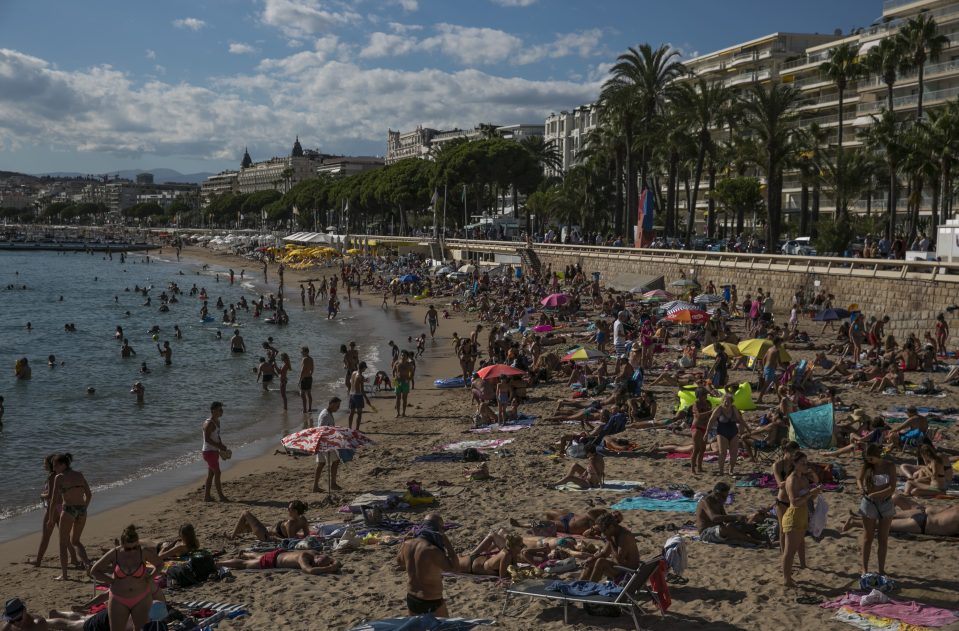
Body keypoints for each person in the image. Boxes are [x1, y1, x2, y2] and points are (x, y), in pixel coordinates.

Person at [89, 524, 163, 631]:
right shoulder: (114, 553)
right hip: (118, 599)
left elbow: (160, 564)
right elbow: (94, 571)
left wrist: (151, 578)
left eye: (135, 547)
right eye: (128, 549)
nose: (132, 551)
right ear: (122, 544)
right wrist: (111, 581)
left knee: (141, 629)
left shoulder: (143, 552)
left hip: (141, 597)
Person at [396, 514, 459, 616]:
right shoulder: (432, 550)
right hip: (431, 599)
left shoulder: (407, 544)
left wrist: (403, 541)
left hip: (411, 597)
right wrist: (447, 541)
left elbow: (399, 562)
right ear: (438, 529)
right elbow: (455, 569)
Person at [781, 453, 823, 587]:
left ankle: (793, 573)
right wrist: (811, 493)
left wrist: (814, 493)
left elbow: (808, 498)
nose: (806, 465)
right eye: (803, 463)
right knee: (789, 551)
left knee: (798, 545)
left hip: (802, 515)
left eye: (807, 462)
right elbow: (794, 501)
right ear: (795, 464)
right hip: (793, 516)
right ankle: (786, 579)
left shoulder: (804, 479)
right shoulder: (792, 479)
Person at [47, 453, 91, 580]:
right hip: (82, 510)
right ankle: (88, 564)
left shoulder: (59, 477)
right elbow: (89, 495)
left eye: (56, 466)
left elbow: (54, 500)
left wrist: (50, 519)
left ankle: (64, 575)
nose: (54, 469)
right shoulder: (80, 474)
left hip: (68, 510)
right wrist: (84, 508)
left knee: (62, 543)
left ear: (63, 465)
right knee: (76, 541)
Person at [858, 443, 896, 577]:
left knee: (883, 539)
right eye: (867, 459)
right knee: (868, 537)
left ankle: (881, 569)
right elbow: (859, 479)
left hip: (885, 503)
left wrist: (876, 495)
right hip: (869, 503)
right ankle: (864, 568)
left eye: (871, 459)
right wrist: (861, 488)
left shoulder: (889, 466)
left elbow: (892, 488)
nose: (869, 461)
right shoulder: (868, 466)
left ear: (877, 456)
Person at [696, 481, 767, 547]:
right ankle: (756, 542)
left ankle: (766, 541)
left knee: (747, 525)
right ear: (716, 493)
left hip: (718, 530)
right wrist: (735, 517)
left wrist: (744, 519)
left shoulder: (719, 501)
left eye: (726, 497)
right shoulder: (705, 501)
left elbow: (725, 518)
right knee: (728, 528)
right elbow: (714, 518)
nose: (725, 499)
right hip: (706, 533)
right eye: (723, 497)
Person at [33, 454, 73, 569]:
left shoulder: (52, 477)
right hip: (61, 507)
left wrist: (42, 495)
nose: (43, 466)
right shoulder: (61, 475)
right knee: (65, 536)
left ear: (51, 465)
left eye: (44, 464)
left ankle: (38, 561)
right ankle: (74, 558)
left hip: (53, 508)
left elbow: (50, 495)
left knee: (45, 537)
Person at [578, 512, 640, 582]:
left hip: (629, 572)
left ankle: (590, 587)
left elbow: (620, 559)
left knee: (600, 562)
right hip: (619, 569)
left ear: (611, 527)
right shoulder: (612, 533)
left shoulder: (624, 536)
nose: (603, 534)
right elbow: (605, 553)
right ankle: (579, 584)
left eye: (603, 530)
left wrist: (610, 540)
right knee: (591, 561)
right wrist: (591, 560)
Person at [705, 394, 748, 476]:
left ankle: (731, 470)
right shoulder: (719, 409)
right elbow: (711, 420)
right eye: (725, 401)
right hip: (722, 433)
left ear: (731, 402)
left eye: (728, 402)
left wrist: (747, 428)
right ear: (722, 401)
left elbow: (740, 419)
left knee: (734, 453)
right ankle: (721, 471)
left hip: (734, 432)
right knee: (722, 453)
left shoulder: (734, 408)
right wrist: (707, 432)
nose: (726, 403)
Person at [229, 501, 310, 541]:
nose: (287, 510)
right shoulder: (303, 520)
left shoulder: (290, 523)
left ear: (295, 511)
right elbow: (307, 536)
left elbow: (290, 542)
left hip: (265, 534)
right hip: (269, 528)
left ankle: (232, 537)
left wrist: (275, 539)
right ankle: (238, 533)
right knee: (247, 524)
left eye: (289, 509)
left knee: (245, 513)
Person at [219, 549, 340, 575]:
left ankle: (245, 553)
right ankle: (219, 563)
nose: (316, 565)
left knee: (260, 556)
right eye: (317, 564)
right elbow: (308, 570)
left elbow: (331, 559)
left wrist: (334, 562)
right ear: (316, 559)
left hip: (280, 554)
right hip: (274, 561)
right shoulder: (303, 557)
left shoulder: (315, 553)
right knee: (243, 564)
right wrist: (329, 568)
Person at [456, 531, 525, 578]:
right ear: (513, 546)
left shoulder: (513, 553)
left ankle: (463, 555)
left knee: (454, 560)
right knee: (449, 565)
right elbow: (503, 576)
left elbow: (515, 567)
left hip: (480, 559)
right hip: (472, 565)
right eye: (521, 546)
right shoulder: (506, 555)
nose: (523, 547)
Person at [201, 402, 229, 503]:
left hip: (214, 451)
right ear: (213, 411)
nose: (222, 411)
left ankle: (207, 497)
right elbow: (207, 439)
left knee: (211, 474)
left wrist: (221, 446)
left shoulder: (217, 421)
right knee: (218, 472)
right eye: (219, 410)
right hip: (209, 452)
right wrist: (219, 446)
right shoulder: (209, 423)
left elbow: (217, 436)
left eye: (222, 409)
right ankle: (221, 496)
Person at [313, 398, 343, 492]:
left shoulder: (327, 413)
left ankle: (315, 487)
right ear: (331, 404)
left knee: (321, 464)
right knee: (336, 461)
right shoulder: (325, 415)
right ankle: (333, 484)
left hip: (322, 442)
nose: (338, 408)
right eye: (337, 406)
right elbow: (322, 430)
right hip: (324, 443)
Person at [347, 362, 372, 431]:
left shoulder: (353, 373)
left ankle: (349, 428)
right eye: (365, 368)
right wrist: (367, 399)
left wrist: (363, 380)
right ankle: (357, 429)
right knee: (359, 414)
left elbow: (352, 382)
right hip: (358, 396)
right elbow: (362, 391)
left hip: (351, 395)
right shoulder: (360, 376)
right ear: (363, 368)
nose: (365, 369)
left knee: (351, 413)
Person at [393, 352, 414, 418]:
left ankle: (403, 413)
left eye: (404, 355)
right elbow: (393, 371)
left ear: (407, 357)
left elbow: (412, 373)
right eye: (402, 355)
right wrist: (394, 379)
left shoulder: (409, 364)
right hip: (397, 382)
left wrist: (409, 379)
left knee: (404, 398)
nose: (403, 356)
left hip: (405, 382)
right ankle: (398, 413)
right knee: (397, 398)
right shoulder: (397, 363)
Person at [299, 347, 314, 413]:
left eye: (302, 351)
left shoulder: (304, 359)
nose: (301, 353)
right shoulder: (311, 359)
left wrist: (300, 379)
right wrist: (310, 374)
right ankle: (310, 408)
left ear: (306, 352)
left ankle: (304, 409)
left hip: (304, 378)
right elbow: (312, 369)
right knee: (309, 394)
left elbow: (302, 370)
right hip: (309, 378)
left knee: (302, 394)